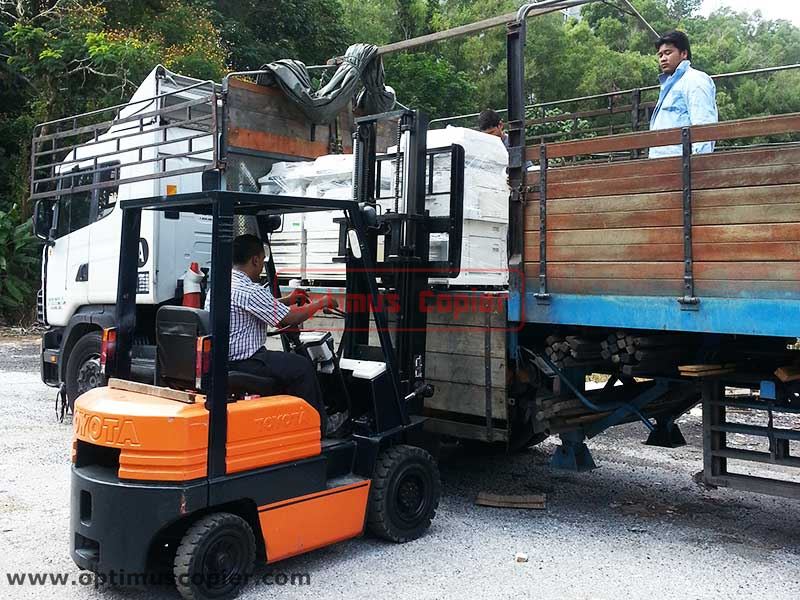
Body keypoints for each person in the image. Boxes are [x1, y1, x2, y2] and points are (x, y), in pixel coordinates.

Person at [208, 234, 341, 435]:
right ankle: (321, 427)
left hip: (224, 360)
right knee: (301, 366)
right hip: (247, 361)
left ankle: (294, 420)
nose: (262, 266)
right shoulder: (249, 290)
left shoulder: (221, 285)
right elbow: (290, 319)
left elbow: (259, 307)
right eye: (261, 261)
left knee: (286, 363)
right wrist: (322, 302)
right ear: (255, 260)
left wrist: (287, 299)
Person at [649, 30, 718, 159]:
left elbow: (703, 125)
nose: (663, 58)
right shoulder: (670, 86)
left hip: (682, 165)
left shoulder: (694, 80)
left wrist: (700, 166)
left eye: (668, 53)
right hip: (663, 165)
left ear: (684, 53)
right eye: (660, 55)